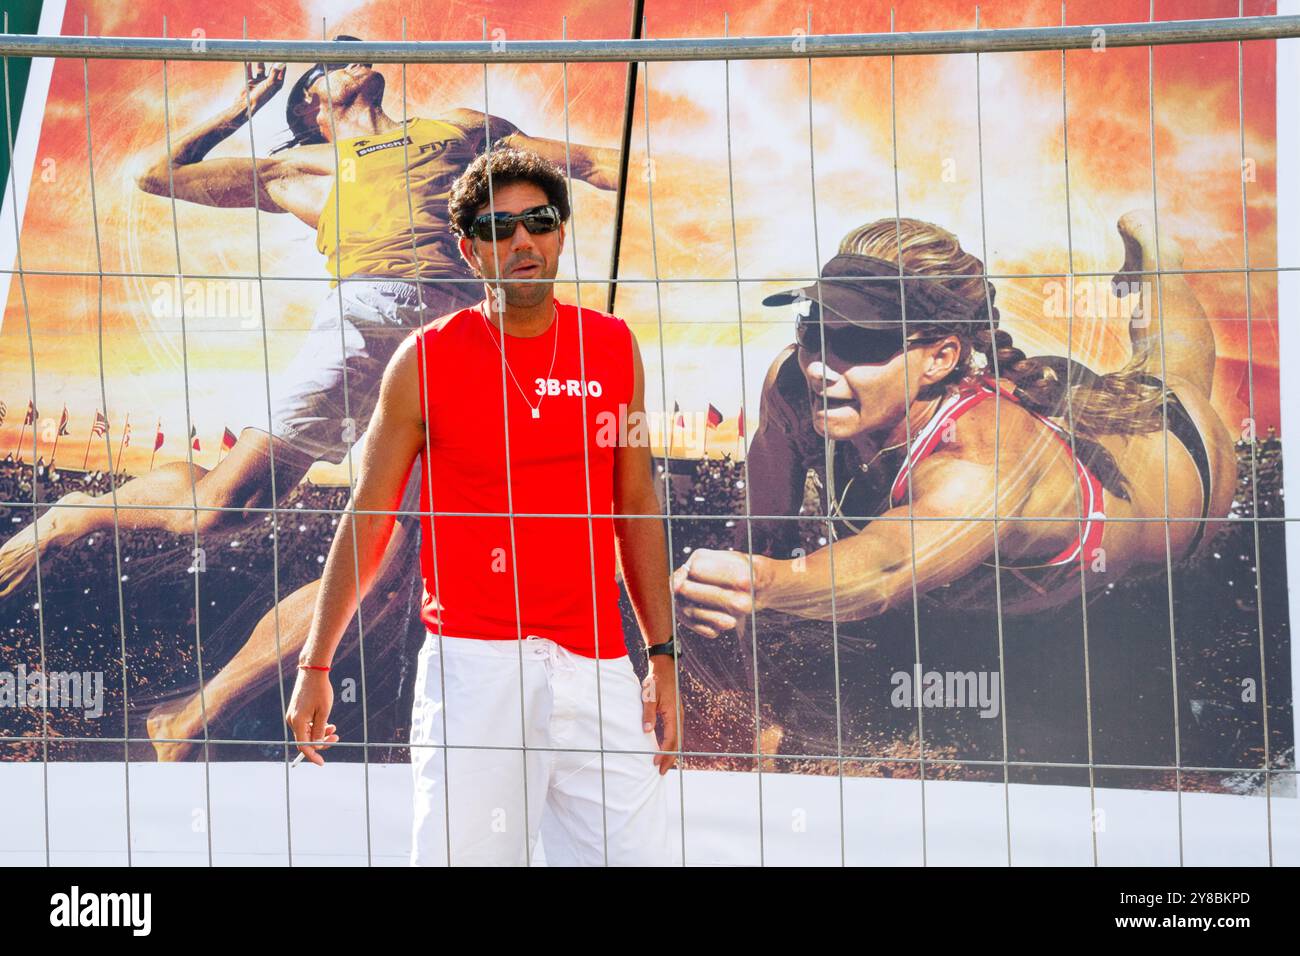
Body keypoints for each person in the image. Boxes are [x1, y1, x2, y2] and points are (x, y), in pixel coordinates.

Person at [0, 39, 620, 759]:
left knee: (383, 577)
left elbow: (583, 160)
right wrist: (242, 109)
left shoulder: (458, 126)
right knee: (222, 508)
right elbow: (158, 175)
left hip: (464, 338)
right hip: (370, 317)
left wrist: (650, 177)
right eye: (332, 61)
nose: (355, 57)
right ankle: (67, 518)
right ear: (312, 104)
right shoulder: (300, 168)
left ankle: (184, 722)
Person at [285, 146, 678, 867]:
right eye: (499, 229)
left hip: (596, 664)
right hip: (474, 667)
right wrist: (316, 663)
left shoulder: (615, 348)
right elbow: (367, 516)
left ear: (561, 232)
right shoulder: (425, 359)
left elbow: (636, 505)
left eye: (538, 221)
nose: (522, 240)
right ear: (470, 252)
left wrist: (663, 656)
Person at [674, 211, 1236, 636]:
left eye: (859, 343)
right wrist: (746, 562)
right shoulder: (795, 384)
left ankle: (1157, 259)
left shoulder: (978, 462)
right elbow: (765, 520)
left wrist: (766, 584)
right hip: (1039, 406)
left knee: (1173, 369)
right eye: (812, 331)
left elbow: (885, 567)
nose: (821, 365)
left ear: (940, 358)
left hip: (1174, 470)